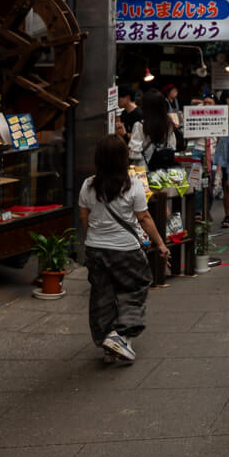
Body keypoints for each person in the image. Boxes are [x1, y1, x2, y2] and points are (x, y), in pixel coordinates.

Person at [78, 134, 167, 365]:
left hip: (95, 249)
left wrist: (94, 239)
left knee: (102, 296)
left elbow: (83, 217)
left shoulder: (88, 185)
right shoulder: (133, 185)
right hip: (125, 250)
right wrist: (160, 243)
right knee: (136, 287)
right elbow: (145, 218)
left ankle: (107, 343)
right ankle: (121, 334)